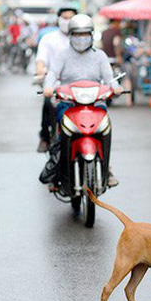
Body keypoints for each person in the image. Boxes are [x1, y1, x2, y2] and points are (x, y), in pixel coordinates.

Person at [42, 14, 122, 191]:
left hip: (95, 103)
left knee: (105, 128)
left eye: (85, 34)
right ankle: (58, 172)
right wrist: (48, 87)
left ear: (92, 35)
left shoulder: (99, 56)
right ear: (70, 35)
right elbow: (53, 74)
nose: (81, 38)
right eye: (77, 34)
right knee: (62, 131)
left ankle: (106, 168)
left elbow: (109, 78)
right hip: (69, 103)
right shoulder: (62, 55)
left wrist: (115, 87)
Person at [35, 7, 77, 153]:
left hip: (80, 87)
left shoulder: (81, 39)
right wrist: (41, 70)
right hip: (55, 85)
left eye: (71, 17)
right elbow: (41, 60)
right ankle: (45, 137)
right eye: (64, 17)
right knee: (48, 103)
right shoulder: (49, 38)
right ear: (58, 19)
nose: (67, 21)